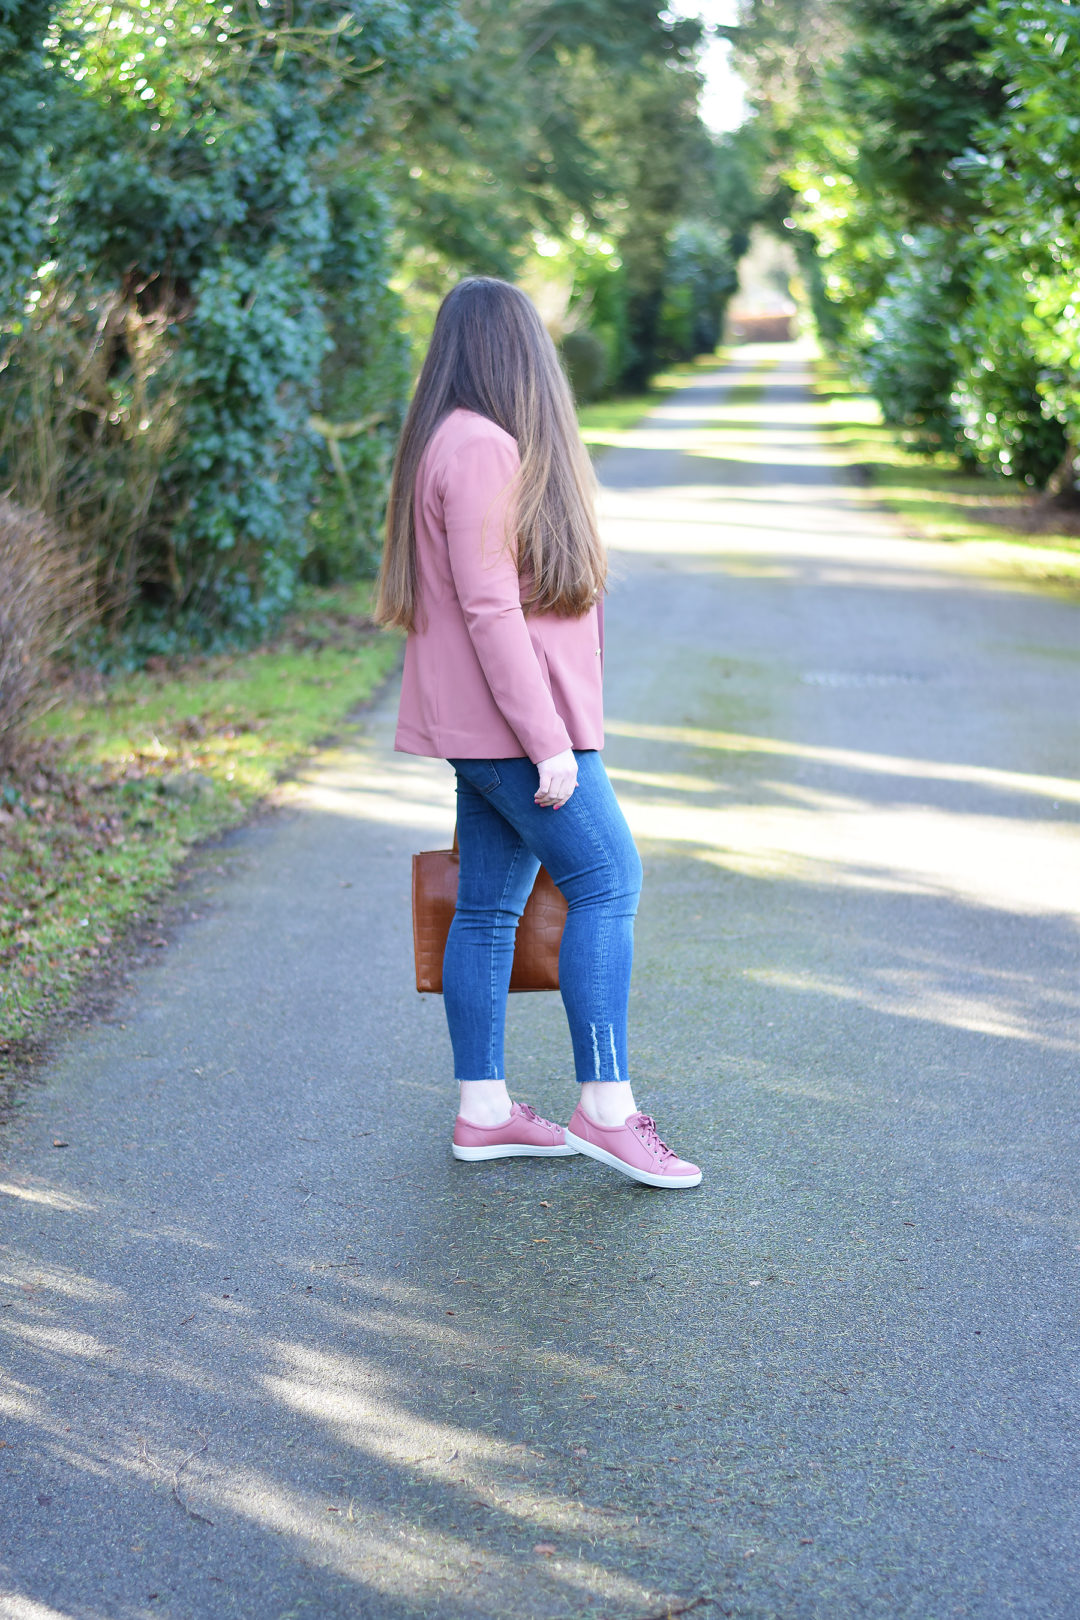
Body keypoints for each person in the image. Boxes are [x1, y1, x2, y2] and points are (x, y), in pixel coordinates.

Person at [376, 276, 701, 1191]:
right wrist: (550, 741)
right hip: (517, 731)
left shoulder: (447, 438)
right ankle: (605, 1110)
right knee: (608, 880)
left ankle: (484, 1112)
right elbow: (489, 609)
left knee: (487, 906)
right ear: (518, 353)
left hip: (483, 733)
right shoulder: (480, 446)